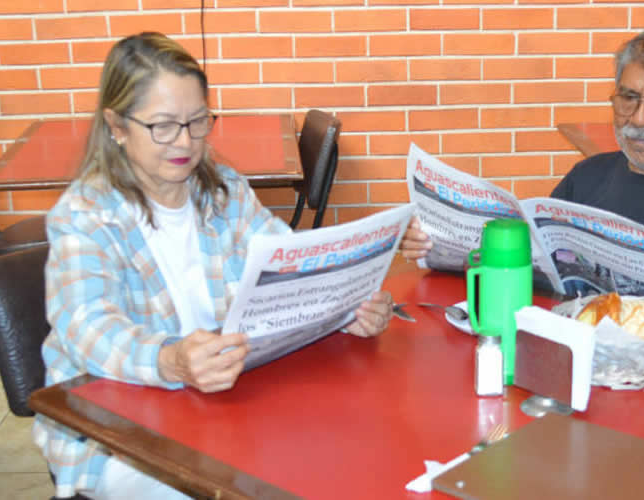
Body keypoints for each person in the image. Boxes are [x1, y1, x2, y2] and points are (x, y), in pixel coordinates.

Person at [33, 32, 393, 500]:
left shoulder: (223, 192)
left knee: (339, 449)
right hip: (119, 435)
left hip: (223, 409)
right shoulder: (85, 215)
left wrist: (346, 306)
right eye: (163, 126)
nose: (185, 141)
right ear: (116, 126)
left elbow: (289, 262)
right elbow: (87, 327)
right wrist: (171, 360)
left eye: (198, 121)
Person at [401, 27, 644, 340]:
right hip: (574, 354)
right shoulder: (587, 175)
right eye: (628, 98)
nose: (640, 119)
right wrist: (440, 245)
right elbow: (534, 267)